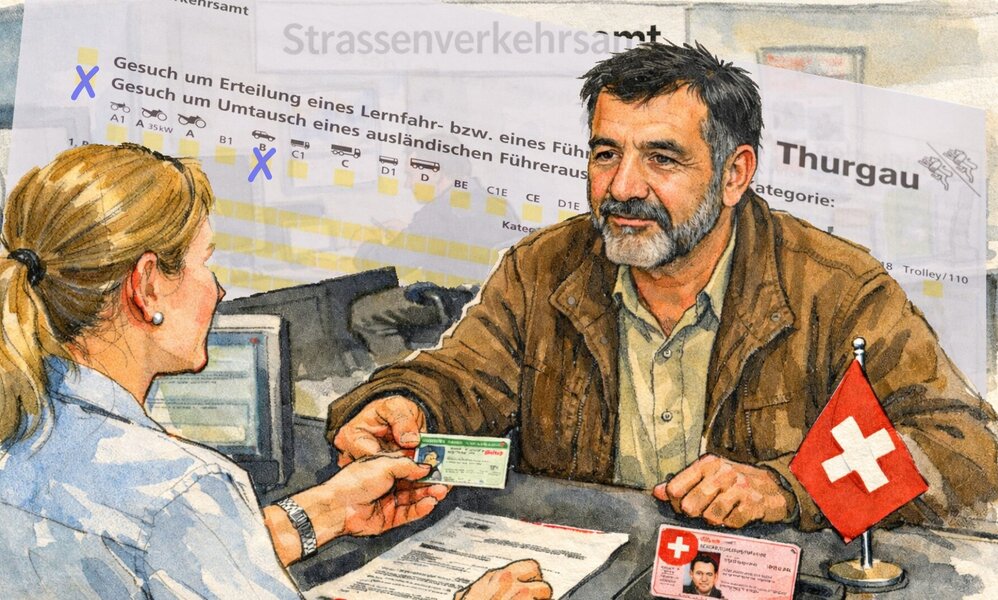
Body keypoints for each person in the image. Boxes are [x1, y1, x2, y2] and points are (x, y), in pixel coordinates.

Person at [328, 42, 998, 532]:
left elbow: (967, 448)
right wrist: (404, 403)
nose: (622, 187)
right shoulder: (543, 268)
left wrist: (787, 488)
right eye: (606, 154)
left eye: (662, 158)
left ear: (735, 175)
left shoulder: (838, 287)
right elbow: (461, 379)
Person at [0, 143, 552, 600]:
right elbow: (169, 526)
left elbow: (160, 552)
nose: (218, 289)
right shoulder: (182, 488)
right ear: (146, 287)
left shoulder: (20, 431)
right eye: (204, 262)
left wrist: (325, 510)